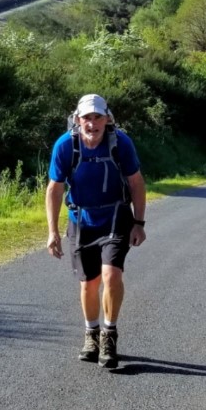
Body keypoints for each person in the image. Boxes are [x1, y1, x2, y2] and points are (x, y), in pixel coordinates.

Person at [45, 94, 147, 369]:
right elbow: (55, 189)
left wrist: (139, 222)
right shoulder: (66, 145)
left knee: (111, 275)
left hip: (115, 216)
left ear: (107, 119)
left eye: (98, 117)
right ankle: (91, 335)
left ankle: (109, 335)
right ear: (78, 120)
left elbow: (136, 183)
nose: (92, 123)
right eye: (87, 118)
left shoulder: (120, 143)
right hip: (81, 219)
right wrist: (53, 231)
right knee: (88, 283)